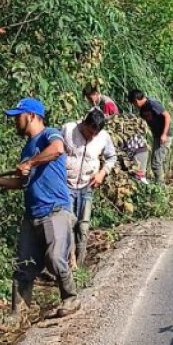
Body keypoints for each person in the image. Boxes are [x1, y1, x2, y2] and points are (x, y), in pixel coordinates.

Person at [0, 97, 80, 320]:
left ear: (31, 116)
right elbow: (22, 182)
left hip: (55, 209)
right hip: (32, 214)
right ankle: (17, 314)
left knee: (54, 258)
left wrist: (30, 163)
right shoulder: (26, 149)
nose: (15, 121)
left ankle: (70, 297)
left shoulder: (49, 135)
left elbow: (58, 149)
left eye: (18, 116)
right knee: (23, 266)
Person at [61, 109, 117, 269]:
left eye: (95, 134)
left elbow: (112, 157)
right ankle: (69, 263)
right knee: (68, 223)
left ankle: (80, 262)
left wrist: (102, 173)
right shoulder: (68, 129)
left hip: (88, 185)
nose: (91, 136)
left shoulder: (103, 137)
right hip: (66, 184)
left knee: (83, 225)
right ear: (84, 124)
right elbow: (54, 149)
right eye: (89, 132)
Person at [127, 89, 172, 185]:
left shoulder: (152, 104)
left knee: (156, 163)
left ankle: (161, 187)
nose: (134, 106)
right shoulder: (142, 108)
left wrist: (164, 134)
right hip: (157, 136)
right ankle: (160, 184)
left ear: (136, 100)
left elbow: (167, 116)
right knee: (156, 162)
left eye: (134, 104)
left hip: (164, 136)